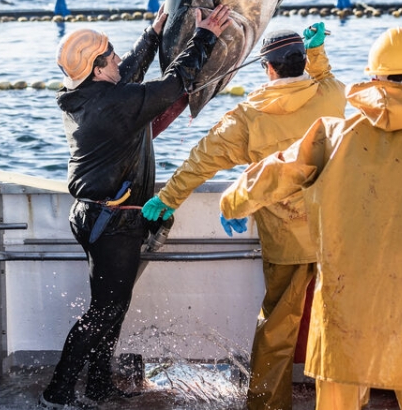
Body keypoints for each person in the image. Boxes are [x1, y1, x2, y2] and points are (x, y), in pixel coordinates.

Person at [220, 27, 402, 410]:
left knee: (338, 397)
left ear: (374, 78)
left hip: (343, 312)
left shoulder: (332, 135)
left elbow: (279, 169)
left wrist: (235, 201)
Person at [141, 23, 346, 410]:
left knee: (277, 328)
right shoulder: (332, 97)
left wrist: (167, 198)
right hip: (338, 237)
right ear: (302, 62)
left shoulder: (247, 118)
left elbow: (202, 161)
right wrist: (317, 55)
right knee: (340, 326)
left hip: (286, 241)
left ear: (268, 68)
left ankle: (267, 405)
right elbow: (326, 79)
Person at [40, 4, 231, 410]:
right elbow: (174, 84)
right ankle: (57, 392)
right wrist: (206, 35)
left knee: (112, 308)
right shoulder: (114, 105)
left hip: (95, 215)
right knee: (104, 311)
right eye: (110, 55)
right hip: (113, 223)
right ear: (96, 70)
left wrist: (153, 34)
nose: (118, 58)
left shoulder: (84, 94)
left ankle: (98, 386)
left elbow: (126, 72)